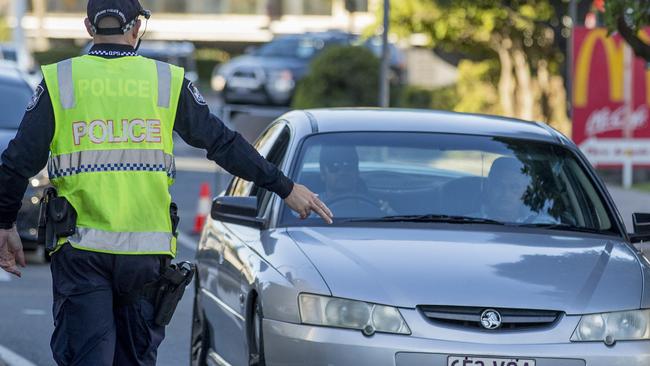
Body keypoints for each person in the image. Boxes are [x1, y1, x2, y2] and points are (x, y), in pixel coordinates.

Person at [0, 1, 332, 365]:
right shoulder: (167, 81)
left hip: (81, 253)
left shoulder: (59, 80)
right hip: (146, 256)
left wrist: (4, 224)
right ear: (136, 29)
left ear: (88, 27)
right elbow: (223, 143)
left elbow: (18, 161)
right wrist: (285, 187)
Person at [318, 145, 390, 216]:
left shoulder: (378, 207)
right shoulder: (312, 206)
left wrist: (388, 214)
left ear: (357, 171)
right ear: (323, 173)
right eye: (334, 166)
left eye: (348, 165)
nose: (342, 172)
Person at [481, 157, 558, 224]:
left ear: (525, 192)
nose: (506, 193)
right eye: (499, 186)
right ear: (488, 187)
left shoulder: (545, 225)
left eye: (515, 187)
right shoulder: (471, 223)